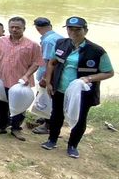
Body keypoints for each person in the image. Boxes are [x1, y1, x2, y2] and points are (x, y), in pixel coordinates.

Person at [42, 17, 114, 158]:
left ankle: (72, 145)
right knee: (56, 115)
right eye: (70, 29)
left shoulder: (96, 51)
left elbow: (109, 72)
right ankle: (52, 140)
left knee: (80, 119)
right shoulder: (61, 43)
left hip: (82, 93)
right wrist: (49, 82)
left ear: (85, 30)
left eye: (78, 29)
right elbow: (52, 63)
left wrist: (89, 78)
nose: (73, 32)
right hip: (60, 89)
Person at [0, 17, 43, 141]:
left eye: (17, 27)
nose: (14, 29)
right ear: (8, 28)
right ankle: (1, 125)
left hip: (21, 82)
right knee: (1, 103)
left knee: (19, 106)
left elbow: (36, 63)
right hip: (2, 78)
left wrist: (27, 75)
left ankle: (16, 128)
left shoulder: (32, 45)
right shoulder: (1, 41)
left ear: (24, 28)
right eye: (12, 27)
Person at [32, 17, 63, 135]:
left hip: (49, 75)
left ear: (37, 28)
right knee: (47, 97)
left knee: (46, 99)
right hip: (57, 74)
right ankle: (44, 117)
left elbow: (48, 61)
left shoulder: (48, 41)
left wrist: (45, 78)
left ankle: (48, 125)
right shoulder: (58, 36)